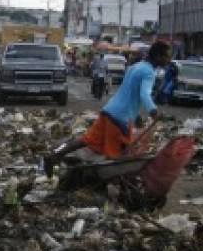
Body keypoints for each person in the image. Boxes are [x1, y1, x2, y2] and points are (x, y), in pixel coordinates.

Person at [43, 41, 171, 174]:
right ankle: (108, 185)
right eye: (166, 56)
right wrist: (154, 112)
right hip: (120, 118)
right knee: (114, 156)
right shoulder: (149, 72)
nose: (168, 59)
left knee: (86, 140)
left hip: (109, 110)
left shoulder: (135, 66)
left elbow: (129, 92)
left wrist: (137, 115)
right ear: (158, 56)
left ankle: (53, 156)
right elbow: (144, 94)